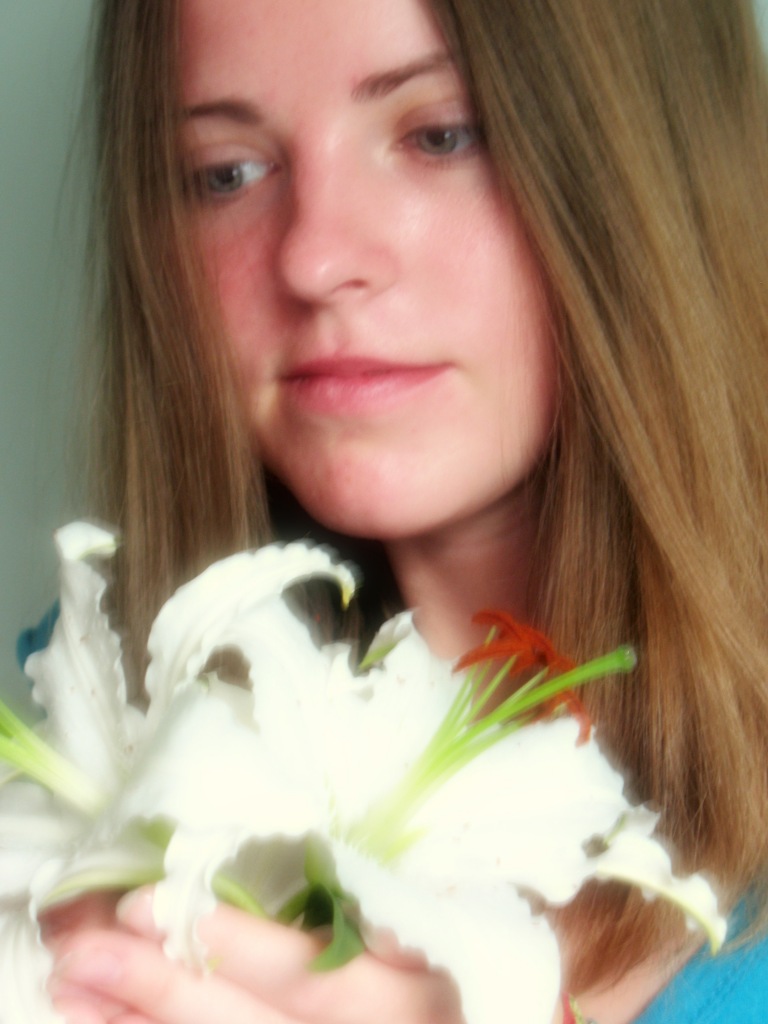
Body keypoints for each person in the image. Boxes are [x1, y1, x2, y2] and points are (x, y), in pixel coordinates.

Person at [44, 0, 768, 1021]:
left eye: (440, 135)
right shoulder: (86, 714)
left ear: (651, 157)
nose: (313, 258)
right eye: (225, 172)